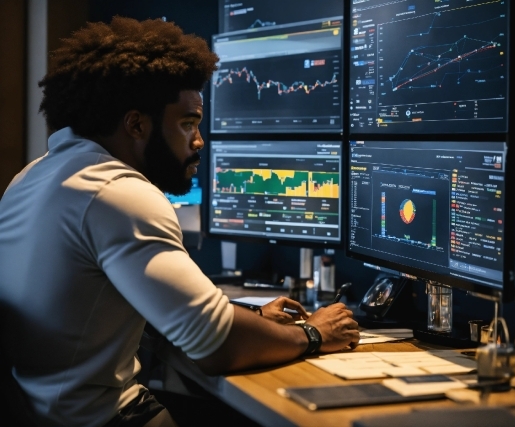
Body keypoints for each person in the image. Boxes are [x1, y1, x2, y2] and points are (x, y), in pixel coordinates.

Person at [0, 16, 359, 426]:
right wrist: (313, 333)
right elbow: (214, 344)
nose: (199, 140)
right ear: (137, 124)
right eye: (187, 123)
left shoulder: (34, 177)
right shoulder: (118, 194)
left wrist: (255, 321)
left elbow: (144, 305)